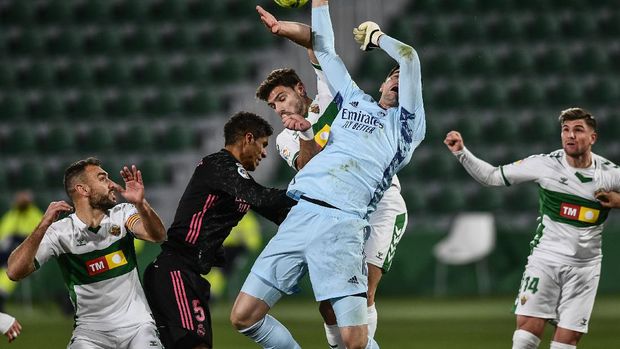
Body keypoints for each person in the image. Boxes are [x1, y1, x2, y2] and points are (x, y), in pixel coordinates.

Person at [230, 1, 425, 348]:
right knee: (254, 315)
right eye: (273, 105)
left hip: (359, 214)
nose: (279, 108)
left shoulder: (402, 127)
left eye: (281, 98)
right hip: (305, 211)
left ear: (300, 89)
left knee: (360, 313)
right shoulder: (349, 101)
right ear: (380, 84)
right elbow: (322, 46)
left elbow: (405, 57)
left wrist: (377, 37)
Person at [443, 108, 620, 349]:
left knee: (566, 342)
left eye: (578, 130)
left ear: (593, 138)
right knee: (525, 335)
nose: (570, 135)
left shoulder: (609, 174)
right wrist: (461, 152)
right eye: (565, 130)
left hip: (585, 268)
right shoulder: (545, 165)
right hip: (545, 260)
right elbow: (492, 176)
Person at [142, 111, 296, 349]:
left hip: (188, 275)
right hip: (174, 272)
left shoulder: (235, 182)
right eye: (263, 145)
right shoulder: (218, 165)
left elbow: (275, 211)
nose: (264, 153)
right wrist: (308, 192)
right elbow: (262, 197)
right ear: (248, 138)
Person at [6, 157, 167, 348]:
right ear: (83, 190)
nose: (112, 184)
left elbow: (157, 235)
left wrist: (141, 204)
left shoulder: (122, 214)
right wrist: (42, 226)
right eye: (102, 178)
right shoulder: (60, 233)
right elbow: (14, 271)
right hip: (90, 333)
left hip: (138, 327)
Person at [0, 191, 43, 311]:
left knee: (9, 267)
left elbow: (39, 234)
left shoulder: (35, 214)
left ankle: (1, 295)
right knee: (6, 262)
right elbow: (4, 234)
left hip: (28, 254)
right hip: (9, 252)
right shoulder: (12, 214)